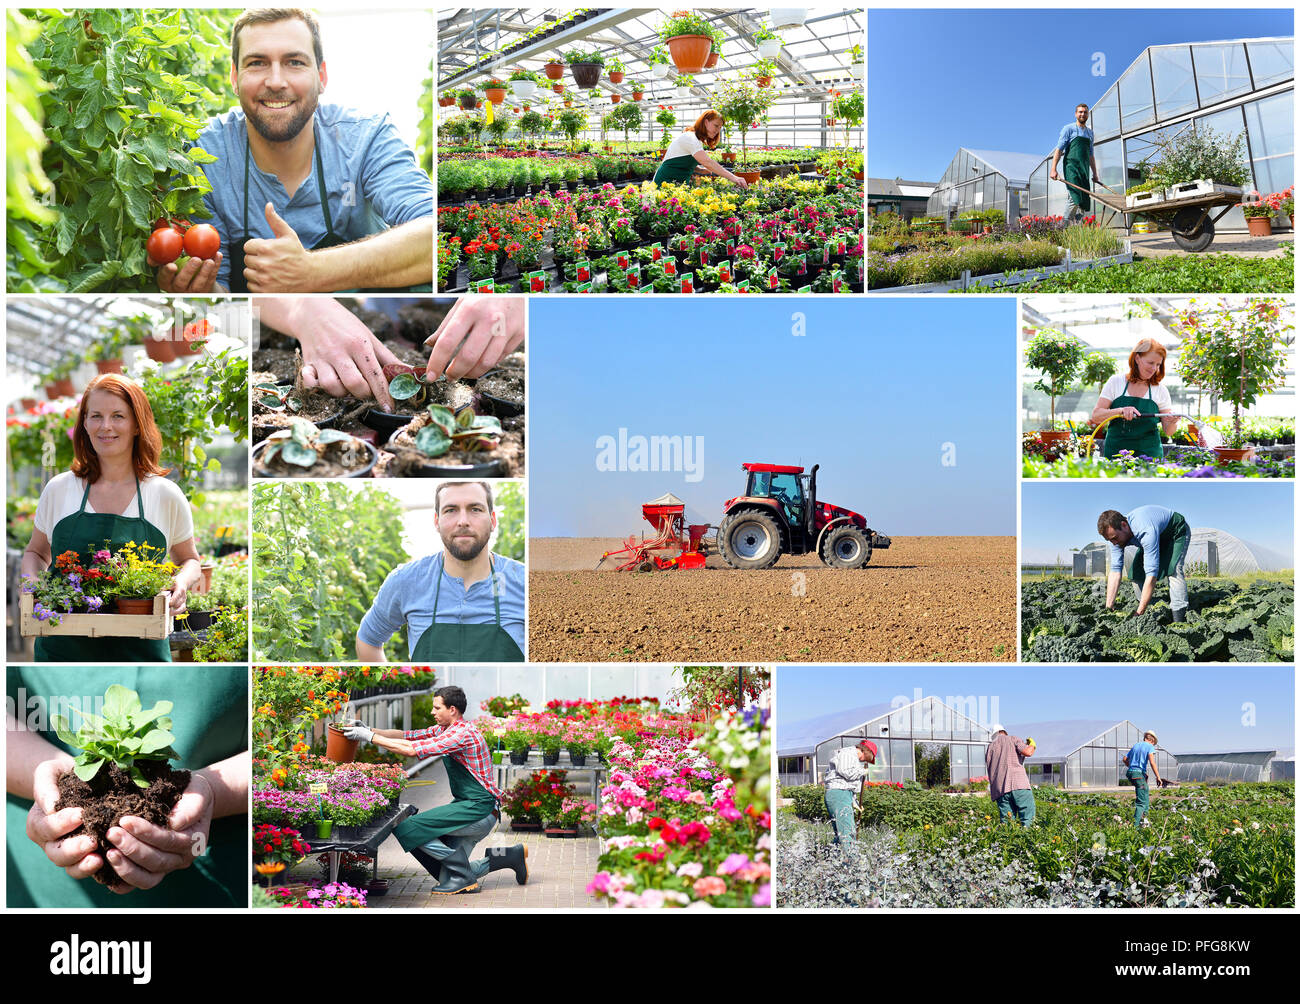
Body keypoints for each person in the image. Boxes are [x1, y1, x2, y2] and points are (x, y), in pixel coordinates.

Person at [154, 8, 433, 294]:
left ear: (321, 77)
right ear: (235, 78)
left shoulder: (365, 137)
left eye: (295, 62)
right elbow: (220, 293)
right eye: (257, 63)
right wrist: (201, 291)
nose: (276, 81)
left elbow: (435, 235)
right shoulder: (205, 155)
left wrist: (312, 272)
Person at [7, 665, 249, 907]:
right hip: (45, 872)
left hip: (213, 869)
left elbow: (279, 744)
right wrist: (54, 779)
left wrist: (215, 789)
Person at [20, 375, 203, 662]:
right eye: (96, 416)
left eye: (118, 416)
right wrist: (31, 584)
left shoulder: (164, 494)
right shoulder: (59, 489)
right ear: (84, 424)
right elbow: (36, 551)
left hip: (141, 657)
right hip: (63, 654)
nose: (105, 426)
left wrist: (180, 584)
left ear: (136, 425)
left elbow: (190, 559)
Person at [342, 686, 527, 895]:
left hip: (480, 809)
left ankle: (460, 869)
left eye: (437, 707)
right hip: (469, 807)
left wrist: (368, 737)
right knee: (447, 875)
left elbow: (411, 750)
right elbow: (407, 736)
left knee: (406, 828)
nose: (432, 712)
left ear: (453, 710)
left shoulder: (461, 734)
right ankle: (511, 857)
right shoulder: (445, 729)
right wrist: (371, 730)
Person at [255, 295, 525, 412]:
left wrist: (521, 300)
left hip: (507, 334)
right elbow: (247, 297)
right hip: (377, 318)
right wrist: (304, 309)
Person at [356, 481, 524, 661]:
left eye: (475, 509)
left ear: (493, 521)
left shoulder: (523, 582)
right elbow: (368, 640)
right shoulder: (406, 580)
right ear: (437, 521)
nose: (463, 521)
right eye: (451, 510)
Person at [1098, 506, 1191, 622]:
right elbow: (1115, 572)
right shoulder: (1115, 539)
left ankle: (1179, 616)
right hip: (1154, 538)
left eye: (1115, 538)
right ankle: (1154, 608)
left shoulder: (1144, 529)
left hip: (1174, 533)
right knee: (1136, 573)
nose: (1114, 543)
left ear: (1124, 525)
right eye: (1110, 540)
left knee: (1174, 570)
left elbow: (1151, 574)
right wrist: (1108, 607)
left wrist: (1139, 612)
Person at [1091, 338, 1178, 460]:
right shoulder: (1116, 382)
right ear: (1137, 358)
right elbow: (1096, 416)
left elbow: (1169, 431)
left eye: (1158, 364)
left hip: (1149, 456)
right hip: (1116, 455)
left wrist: (1172, 421)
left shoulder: (1160, 389)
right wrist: (1120, 411)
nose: (1154, 369)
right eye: (1150, 362)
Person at [652, 110, 750, 188]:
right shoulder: (690, 138)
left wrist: (699, 169)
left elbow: (681, 160)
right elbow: (707, 162)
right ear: (706, 122)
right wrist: (733, 178)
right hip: (663, 183)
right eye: (716, 125)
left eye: (720, 127)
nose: (717, 130)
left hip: (678, 184)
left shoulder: (696, 140)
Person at [1048, 102, 1101, 220]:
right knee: (1075, 197)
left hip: (1084, 168)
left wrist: (1095, 174)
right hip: (1071, 167)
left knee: (1084, 200)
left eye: (1085, 112)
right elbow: (1059, 150)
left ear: (1088, 114)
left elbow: (1091, 155)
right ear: (1075, 114)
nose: (1083, 114)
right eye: (1080, 112)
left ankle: (1076, 231)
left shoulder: (1090, 133)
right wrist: (1053, 169)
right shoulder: (1068, 129)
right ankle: (1063, 228)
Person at [822, 739, 876, 847]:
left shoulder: (852, 757)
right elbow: (845, 772)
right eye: (866, 758)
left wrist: (854, 801)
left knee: (841, 833)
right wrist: (862, 771)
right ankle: (852, 861)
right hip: (839, 794)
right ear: (865, 751)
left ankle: (830, 858)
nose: (863, 761)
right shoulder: (848, 753)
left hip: (843, 794)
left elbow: (848, 783)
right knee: (847, 832)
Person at [985, 726, 1035, 826]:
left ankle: (1008, 841)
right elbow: (1028, 752)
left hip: (1000, 790)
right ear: (1003, 732)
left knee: (1007, 824)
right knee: (1027, 819)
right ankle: (1027, 840)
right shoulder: (1013, 739)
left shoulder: (990, 747)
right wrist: (1032, 744)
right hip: (1018, 785)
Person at [1122, 730, 1163, 827]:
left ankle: (1145, 819)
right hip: (1138, 774)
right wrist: (1158, 777)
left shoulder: (1136, 745)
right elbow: (1152, 762)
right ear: (1152, 740)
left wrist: (1132, 767)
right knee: (1141, 802)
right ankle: (1136, 827)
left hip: (1132, 773)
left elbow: (1124, 759)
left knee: (1145, 792)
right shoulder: (1149, 747)